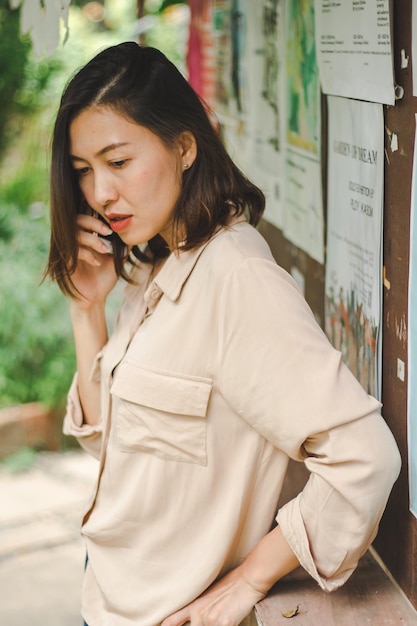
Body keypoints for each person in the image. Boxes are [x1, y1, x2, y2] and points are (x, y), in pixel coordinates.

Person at [45, 41, 401, 626]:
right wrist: (88, 311)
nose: (99, 194)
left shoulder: (236, 278)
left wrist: (250, 577)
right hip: (109, 593)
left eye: (118, 161)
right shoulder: (158, 261)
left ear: (184, 147)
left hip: (171, 610)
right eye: (84, 170)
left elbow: (365, 459)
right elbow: (112, 446)